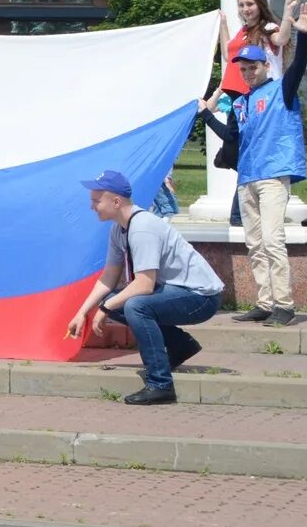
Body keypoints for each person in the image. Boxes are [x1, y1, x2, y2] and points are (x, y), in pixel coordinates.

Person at [196, 0, 307, 327]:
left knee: (273, 239)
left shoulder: (281, 91)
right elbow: (230, 138)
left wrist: (302, 35)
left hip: (273, 175)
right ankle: (264, 301)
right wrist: (206, 113)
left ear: (265, 66)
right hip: (247, 177)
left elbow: (299, 66)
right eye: (243, 69)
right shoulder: (240, 103)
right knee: (254, 242)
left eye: (252, 67)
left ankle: (284, 305)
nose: (248, 73)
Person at [63, 169, 224, 405]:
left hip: (200, 298)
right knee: (118, 302)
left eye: (96, 201)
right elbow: (108, 277)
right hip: (177, 292)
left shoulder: (143, 228)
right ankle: (180, 346)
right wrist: (82, 312)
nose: (92, 207)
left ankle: (160, 384)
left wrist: (105, 309)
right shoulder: (119, 229)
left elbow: (144, 285)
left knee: (135, 305)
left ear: (116, 201)